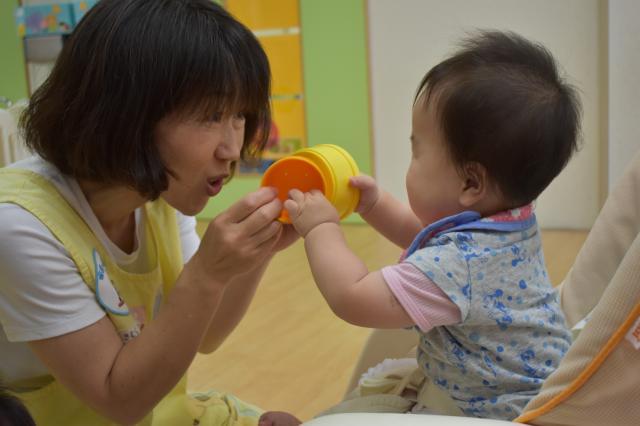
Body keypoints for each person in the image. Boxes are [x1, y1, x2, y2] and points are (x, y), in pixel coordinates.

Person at [259, 30, 580, 425]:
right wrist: (374, 205)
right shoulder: (507, 223)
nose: (410, 161)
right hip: (518, 393)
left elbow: (354, 297)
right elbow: (427, 242)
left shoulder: (459, 266)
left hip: (488, 415)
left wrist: (321, 228)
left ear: (470, 184)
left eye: (416, 150)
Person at [0, 0, 298, 425]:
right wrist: (208, 273)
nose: (232, 149)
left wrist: (259, 249)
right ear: (127, 110)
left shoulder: (158, 195)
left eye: (239, 116)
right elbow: (117, 400)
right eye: (211, 115)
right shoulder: (19, 225)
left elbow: (207, 333)